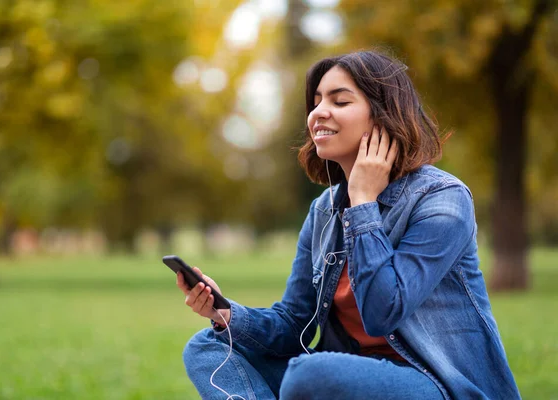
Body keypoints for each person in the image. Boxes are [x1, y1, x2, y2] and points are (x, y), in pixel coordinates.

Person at [176, 50, 521, 400]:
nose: (318, 112)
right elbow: (295, 320)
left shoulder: (442, 200)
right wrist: (225, 313)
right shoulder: (324, 210)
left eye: (339, 101)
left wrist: (363, 203)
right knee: (208, 347)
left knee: (311, 375)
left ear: (384, 116)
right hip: (349, 373)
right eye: (316, 102)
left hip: (436, 383)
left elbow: (381, 313)